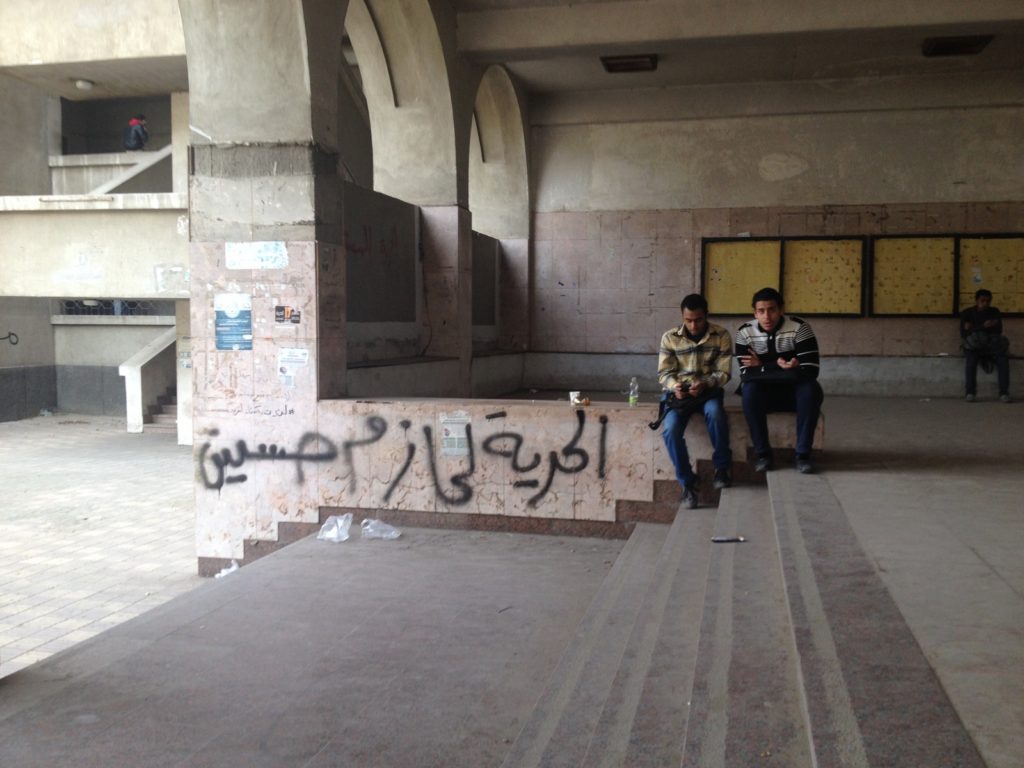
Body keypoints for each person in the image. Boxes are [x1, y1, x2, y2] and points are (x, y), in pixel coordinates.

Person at [735, 287, 823, 474]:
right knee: (749, 390)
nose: (767, 316)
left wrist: (762, 366)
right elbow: (747, 375)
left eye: (772, 309)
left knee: (811, 389)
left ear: (781, 310)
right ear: (755, 313)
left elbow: (811, 370)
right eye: (761, 311)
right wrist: (782, 368)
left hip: (794, 393)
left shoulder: (800, 328)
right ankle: (763, 455)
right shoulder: (744, 333)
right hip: (764, 396)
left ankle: (803, 455)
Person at [657, 293, 733, 509]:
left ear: (706, 316)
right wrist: (675, 386)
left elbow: (725, 372)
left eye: (698, 319)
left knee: (716, 414)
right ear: (682, 317)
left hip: (708, 392)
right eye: (688, 320)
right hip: (679, 397)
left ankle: (721, 468)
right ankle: (688, 483)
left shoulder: (721, 335)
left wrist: (706, 383)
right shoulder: (669, 337)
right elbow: (663, 373)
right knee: (670, 430)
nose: (693, 325)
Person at [960, 288, 1011, 403]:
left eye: (988, 301)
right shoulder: (967, 313)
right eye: (982, 301)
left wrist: (974, 327)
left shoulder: (994, 311)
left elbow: (998, 330)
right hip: (974, 346)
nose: (985, 304)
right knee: (971, 361)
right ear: (976, 300)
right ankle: (970, 392)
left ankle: (1004, 393)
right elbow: (964, 333)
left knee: (1003, 360)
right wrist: (983, 326)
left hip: (991, 345)